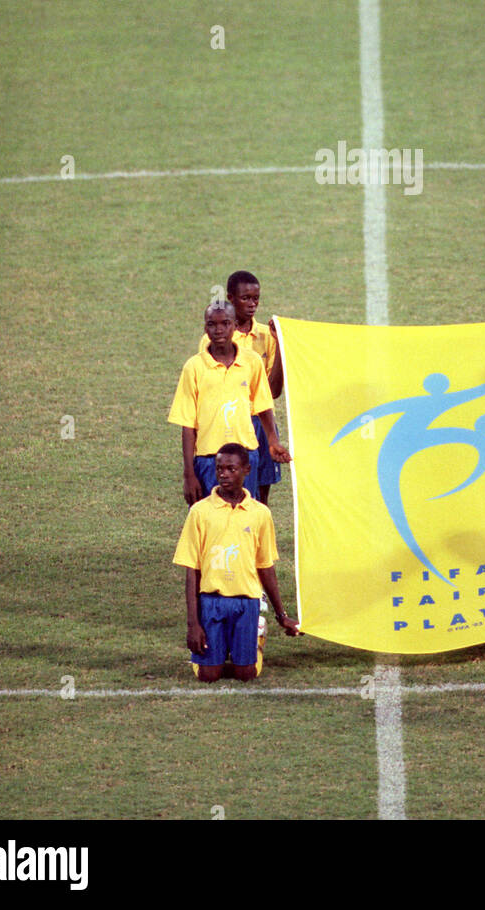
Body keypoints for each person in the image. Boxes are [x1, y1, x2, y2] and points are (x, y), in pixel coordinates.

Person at [173, 444, 299, 681]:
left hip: (246, 602)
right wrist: (193, 624)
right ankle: (217, 654)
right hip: (212, 602)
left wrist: (282, 616)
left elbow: (266, 567)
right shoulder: (200, 512)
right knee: (209, 675)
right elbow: (192, 570)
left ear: (247, 470)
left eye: (231, 469)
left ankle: (257, 635)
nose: (223, 474)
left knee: (246, 674)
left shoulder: (260, 514)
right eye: (219, 468)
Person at [169, 300, 290, 506]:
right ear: (205, 328)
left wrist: (272, 441)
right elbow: (188, 426)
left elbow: (263, 406)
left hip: (245, 457)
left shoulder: (252, 362)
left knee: (245, 519)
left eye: (225, 323)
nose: (219, 330)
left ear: (234, 325)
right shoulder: (194, 367)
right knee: (210, 523)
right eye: (212, 324)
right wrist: (189, 473)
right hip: (208, 460)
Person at [199, 272, 283, 506]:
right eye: (246, 298)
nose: (253, 304)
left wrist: (281, 348)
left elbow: (272, 392)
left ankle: (257, 530)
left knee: (260, 492)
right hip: (230, 423)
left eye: (256, 298)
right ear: (231, 299)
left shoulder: (267, 336)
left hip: (261, 422)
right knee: (226, 488)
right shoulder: (215, 338)